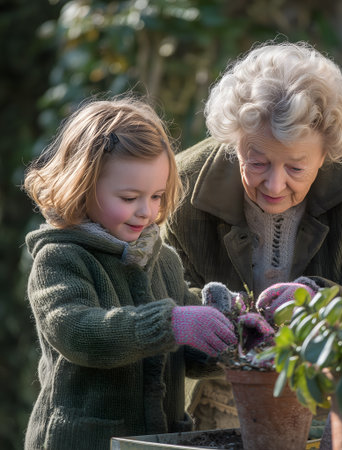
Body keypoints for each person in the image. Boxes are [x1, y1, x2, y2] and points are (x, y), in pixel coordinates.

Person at [161, 41, 342, 444]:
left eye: (296, 166)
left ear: (326, 154)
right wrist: (228, 322)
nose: (274, 185)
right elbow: (168, 294)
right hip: (219, 400)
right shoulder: (184, 185)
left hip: (331, 394)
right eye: (257, 162)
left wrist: (319, 301)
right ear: (233, 143)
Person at [22, 96, 237, 450]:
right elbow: (78, 333)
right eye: (128, 197)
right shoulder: (61, 258)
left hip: (161, 439)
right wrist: (171, 323)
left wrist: (234, 328)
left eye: (156, 196)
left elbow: (186, 353)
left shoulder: (163, 259)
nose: (146, 211)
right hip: (84, 440)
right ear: (82, 185)